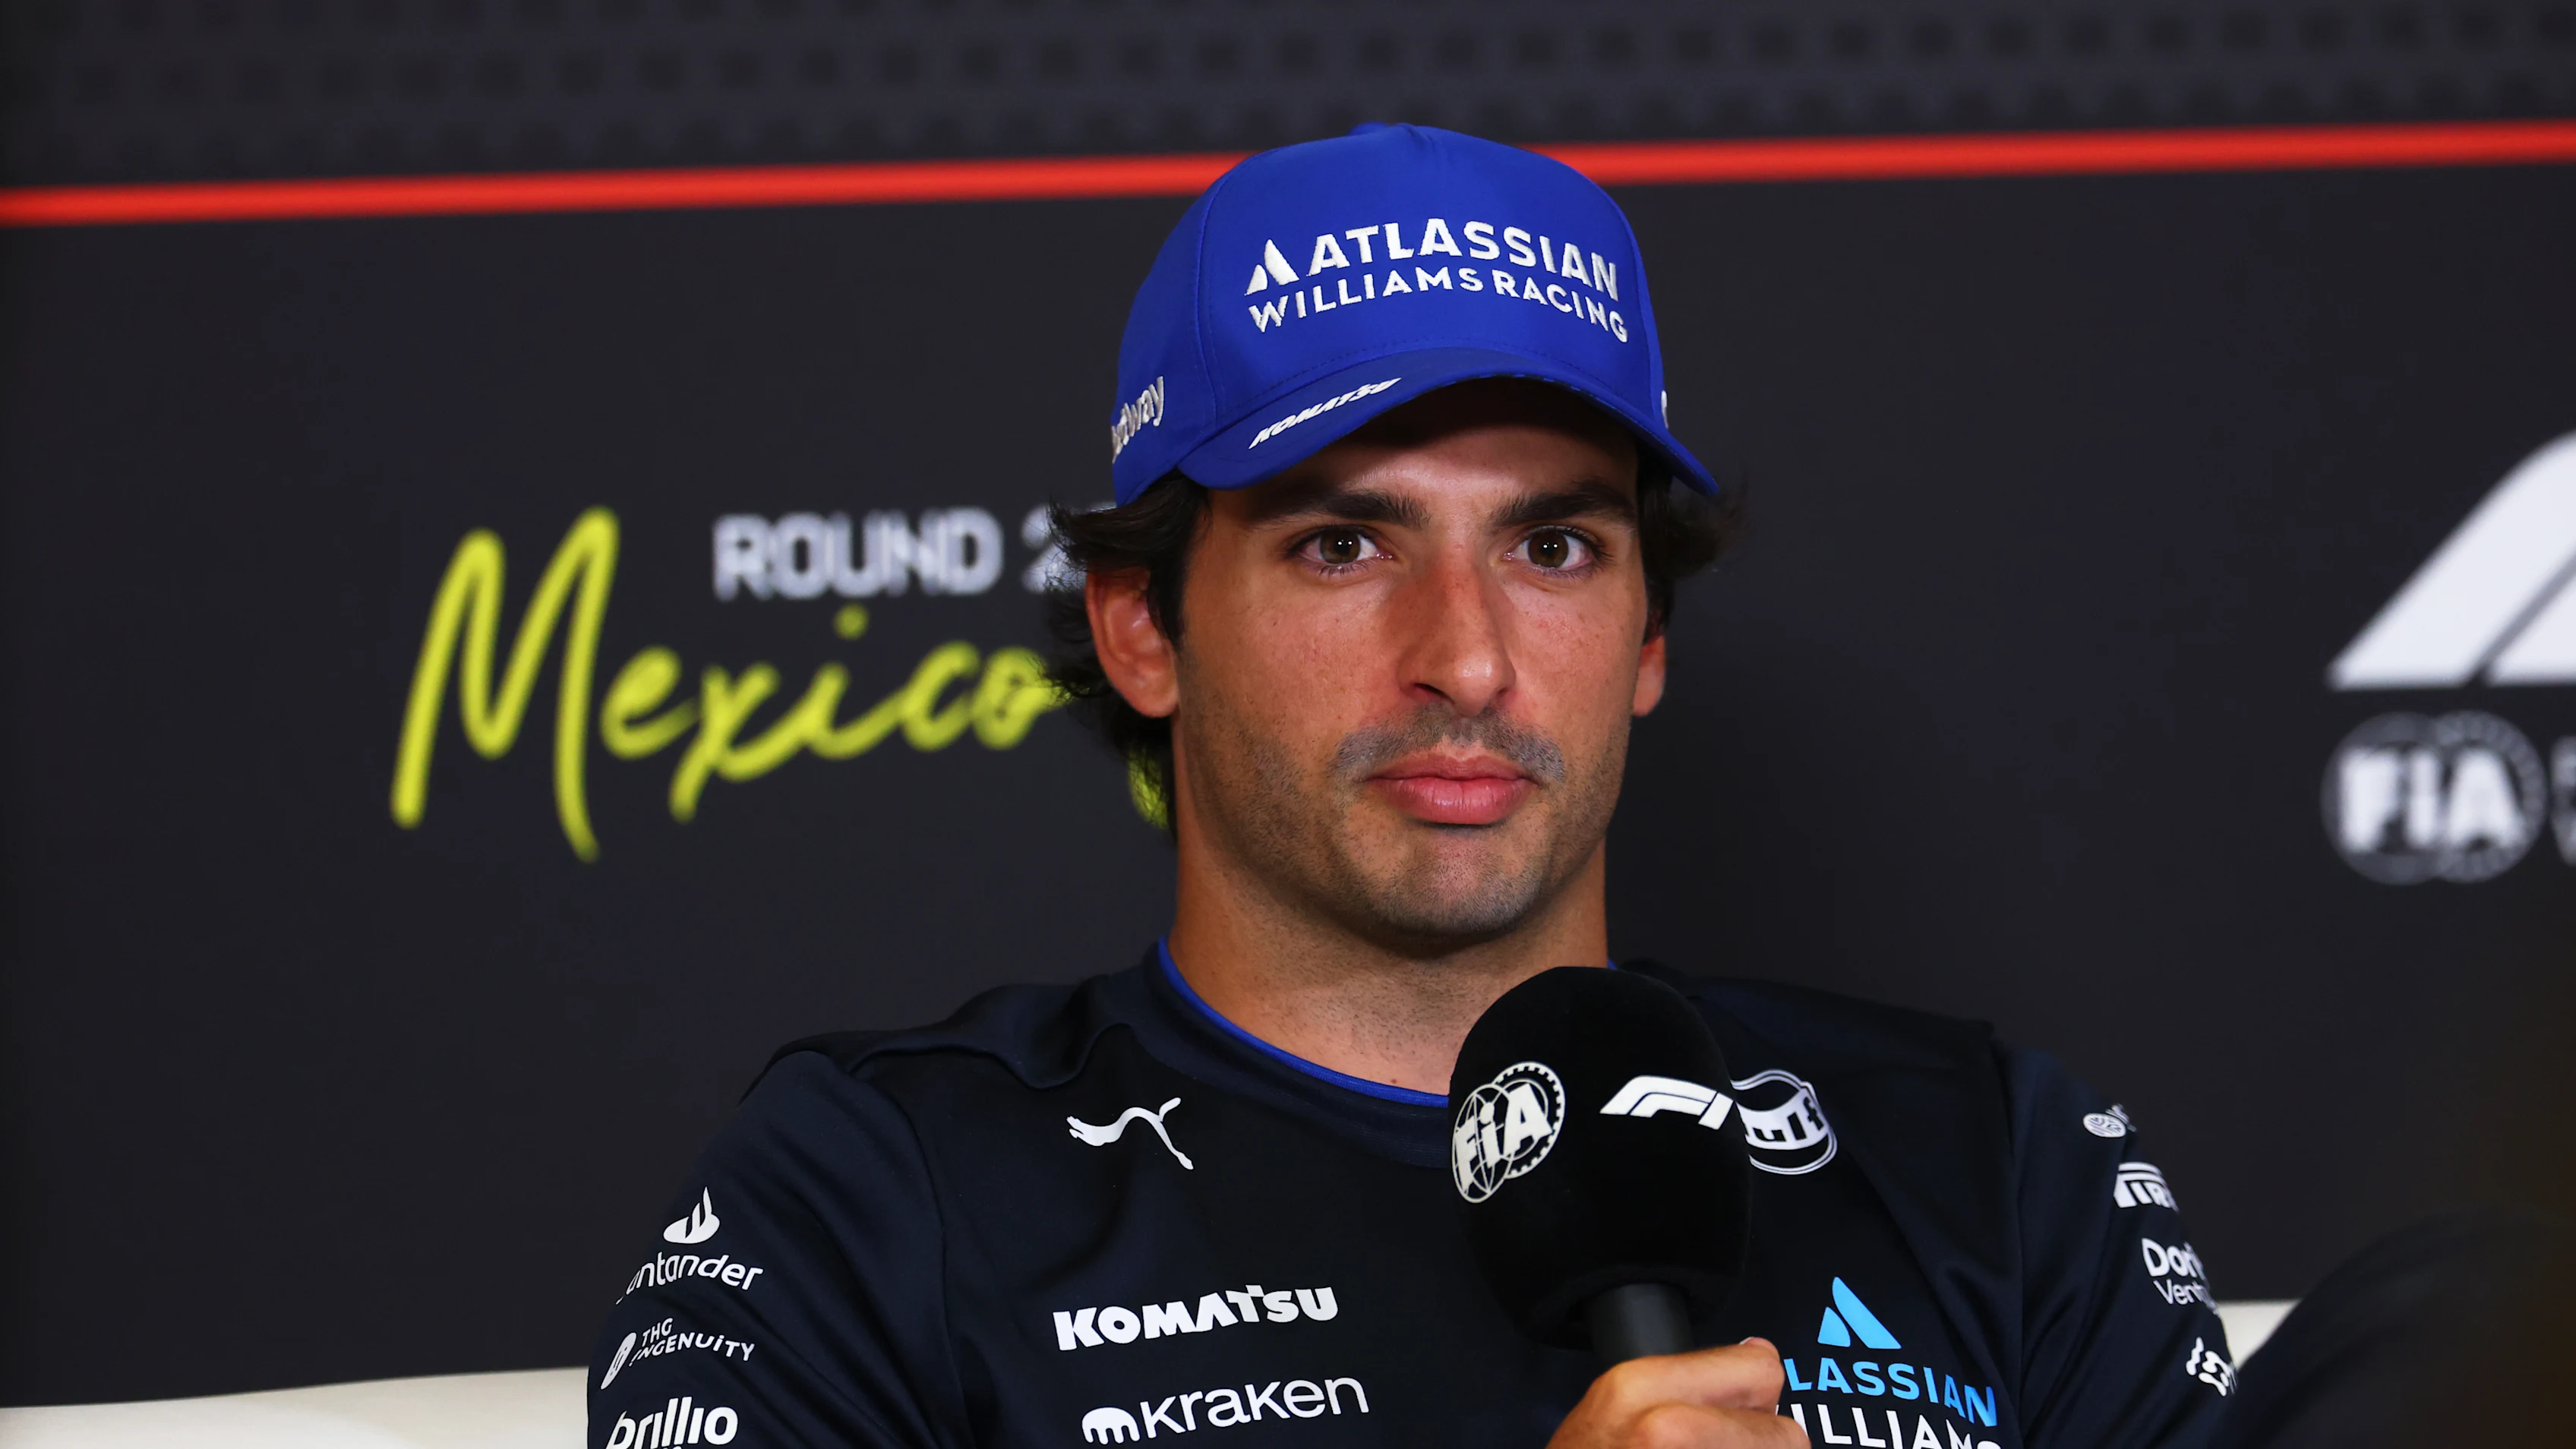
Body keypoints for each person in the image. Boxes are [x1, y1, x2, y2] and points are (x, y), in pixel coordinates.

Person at [588, 125, 2233, 1449]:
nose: (1467, 659)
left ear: (1646, 631)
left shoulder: (1982, 1159)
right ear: (1143, 629)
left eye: (1554, 545)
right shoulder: (881, 1196)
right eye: (1342, 542)